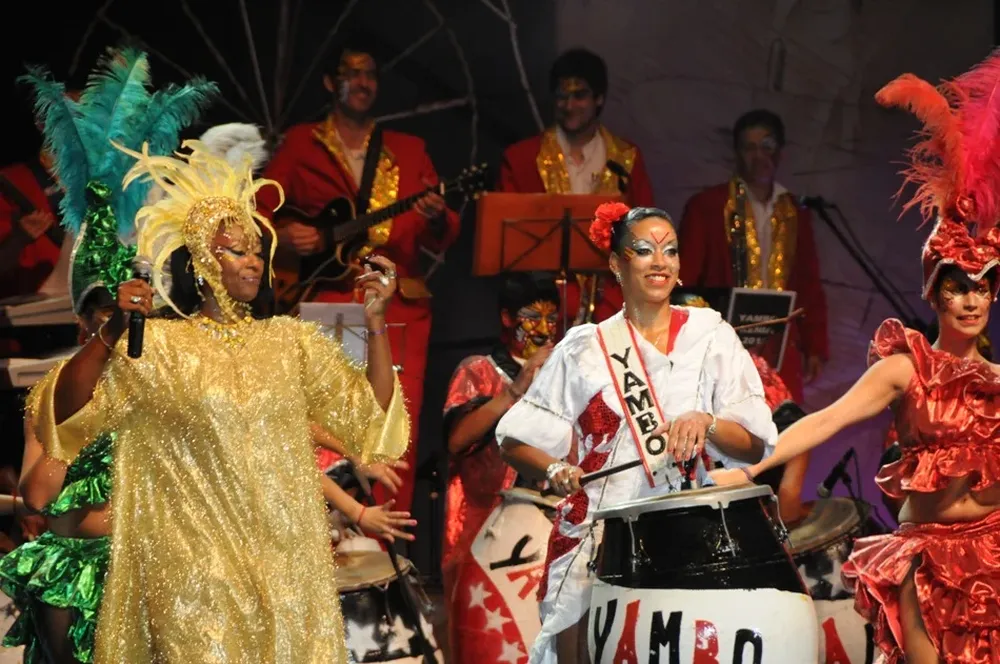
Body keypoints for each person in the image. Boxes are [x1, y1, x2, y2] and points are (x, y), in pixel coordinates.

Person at [28, 124, 409, 661]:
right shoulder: (157, 346)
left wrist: (375, 325)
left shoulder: (290, 341)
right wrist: (112, 334)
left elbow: (373, 422)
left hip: (284, 573)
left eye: (257, 250)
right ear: (203, 264)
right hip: (192, 578)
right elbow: (67, 413)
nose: (253, 260)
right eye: (235, 251)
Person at [712, 53, 1000, 663]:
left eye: (982, 286)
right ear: (935, 290)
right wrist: (747, 471)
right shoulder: (908, 367)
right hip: (929, 557)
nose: (970, 300)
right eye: (956, 285)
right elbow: (823, 421)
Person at [0, 47, 217, 664]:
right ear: (84, 316)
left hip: (155, 572)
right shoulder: (52, 392)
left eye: (125, 313)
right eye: (102, 312)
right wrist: (75, 432)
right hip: (77, 574)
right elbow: (38, 498)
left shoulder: (164, 384)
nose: (114, 324)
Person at [494, 202, 777, 663]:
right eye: (643, 250)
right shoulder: (584, 346)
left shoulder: (710, 333)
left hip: (687, 531)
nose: (659, 261)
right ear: (616, 263)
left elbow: (754, 443)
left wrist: (706, 424)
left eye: (670, 250)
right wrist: (555, 467)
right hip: (596, 535)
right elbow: (512, 439)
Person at [259, 44, 461, 513]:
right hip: (328, 297)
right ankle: (329, 540)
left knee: (395, 421)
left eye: (371, 73)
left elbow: (444, 234)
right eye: (352, 74)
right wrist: (286, 237)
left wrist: (435, 218)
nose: (364, 82)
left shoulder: (409, 151)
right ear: (331, 83)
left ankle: (389, 543)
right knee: (328, 419)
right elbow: (258, 209)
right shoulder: (303, 142)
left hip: (398, 303)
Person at [442, 272, 559, 660]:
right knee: (483, 634)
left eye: (551, 319)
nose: (543, 329)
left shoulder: (565, 371)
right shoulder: (478, 370)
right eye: (532, 317)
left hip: (547, 527)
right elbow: (457, 440)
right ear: (507, 318)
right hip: (482, 522)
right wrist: (513, 390)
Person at [677, 109, 829, 402]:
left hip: (781, 343)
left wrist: (814, 346)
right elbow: (687, 282)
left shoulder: (795, 212)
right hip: (723, 340)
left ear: (780, 152)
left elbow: (808, 282)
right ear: (737, 153)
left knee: (783, 428)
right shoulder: (708, 206)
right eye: (749, 147)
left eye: (767, 147)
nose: (759, 156)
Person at [499, 48, 655, 327]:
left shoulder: (627, 159)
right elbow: (505, 245)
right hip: (543, 308)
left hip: (612, 305)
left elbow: (647, 235)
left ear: (599, 98)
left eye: (579, 96)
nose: (569, 105)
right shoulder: (522, 158)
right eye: (561, 96)